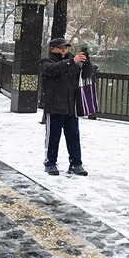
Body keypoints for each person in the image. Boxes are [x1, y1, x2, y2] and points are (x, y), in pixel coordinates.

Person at [39, 37, 88, 176]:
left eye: (65, 48)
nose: (64, 50)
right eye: (61, 48)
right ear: (52, 49)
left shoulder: (72, 61)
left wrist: (87, 64)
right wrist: (71, 62)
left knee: (74, 137)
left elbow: (85, 75)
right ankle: (50, 163)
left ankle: (76, 164)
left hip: (71, 107)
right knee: (53, 137)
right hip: (54, 107)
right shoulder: (46, 61)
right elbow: (52, 70)